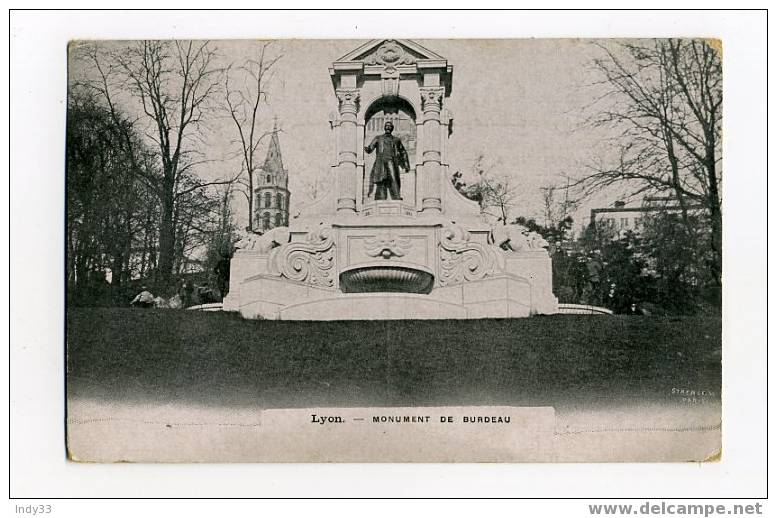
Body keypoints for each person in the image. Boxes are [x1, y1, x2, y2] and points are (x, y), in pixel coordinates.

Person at [364, 121, 409, 200]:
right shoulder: (378, 138)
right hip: (381, 162)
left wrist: (406, 165)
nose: (388, 127)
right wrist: (366, 148)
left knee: (394, 179)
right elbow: (370, 148)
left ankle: (396, 196)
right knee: (381, 180)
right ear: (384, 127)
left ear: (392, 128)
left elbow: (403, 152)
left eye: (390, 126)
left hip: (392, 161)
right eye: (387, 126)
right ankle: (381, 198)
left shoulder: (396, 140)